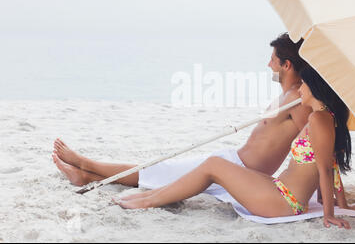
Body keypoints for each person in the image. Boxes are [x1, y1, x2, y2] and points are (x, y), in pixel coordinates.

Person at [112, 66, 355, 228]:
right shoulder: (322, 117)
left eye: (304, 84)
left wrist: (330, 214)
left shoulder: (320, 119)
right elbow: (332, 164)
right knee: (217, 165)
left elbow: (325, 169)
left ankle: (148, 201)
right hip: (280, 189)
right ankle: (147, 197)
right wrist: (341, 204)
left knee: (214, 165)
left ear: (317, 89)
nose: (299, 89)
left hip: (285, 201)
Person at [52, 33, 312, 190]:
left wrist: (331, 196)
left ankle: (86, 167)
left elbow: (314, 146)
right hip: (233, 161)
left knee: (160, 172)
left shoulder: (297, 100)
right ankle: (86, 175)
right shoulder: (288, 96)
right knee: (163, 172)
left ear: (286, 65)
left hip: (241, 170)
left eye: (273, 60)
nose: (268, 64)